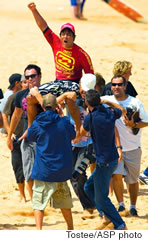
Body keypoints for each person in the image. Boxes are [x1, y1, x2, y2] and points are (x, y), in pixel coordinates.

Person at [26, 93, 76, 230]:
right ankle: (70, 229)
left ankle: (39, 231)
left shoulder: (38, 123)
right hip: (61, 170)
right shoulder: (64, 122)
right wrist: (62, 116)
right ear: (56, 106)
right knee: (65, 201)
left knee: (38, 203)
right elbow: (73, 135)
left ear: (43, 106)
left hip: (44, 169)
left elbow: (30, 136)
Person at [80, 89, 127, 230]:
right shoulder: (110, 112)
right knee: (88, 187)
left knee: (102, 198)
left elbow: (82, 133)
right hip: (112, 158)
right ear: (99, 100)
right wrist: (107, 102)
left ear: (87, 102)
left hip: (103, 162)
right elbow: (122, 110)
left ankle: (120, 224)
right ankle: (105, 215)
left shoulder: (91, 117)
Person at [101, 74, 148, 216]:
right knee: (116, 175)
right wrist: (118, 107)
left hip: (133, 147)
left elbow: (146, 122)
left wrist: (133, 124)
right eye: (113, 84)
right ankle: (121, 204)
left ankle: (133, 206)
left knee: (133, 180)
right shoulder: (106, 100)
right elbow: (92, 99)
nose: (116, 87)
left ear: (125, 86)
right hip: (114, 148)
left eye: (119, 85)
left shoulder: (135, 102)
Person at [28, 2, 94, 84]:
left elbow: (90, 76)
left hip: (74, 83)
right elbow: (43, 26)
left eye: (69, 34)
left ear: (74, 38)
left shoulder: (82, 54)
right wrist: (34, 10)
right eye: (63, 34)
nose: (65, 36)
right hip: (58, 82)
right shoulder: (55, 42)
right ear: (60, 36)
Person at [7, 64, 42, 200]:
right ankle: (34, 202)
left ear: (39, 76)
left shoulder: (46, 92)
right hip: (27, 135)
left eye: (33, 76)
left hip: (44, 135)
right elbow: (15, 116)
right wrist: (9, 136)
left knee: (45, 170)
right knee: (28, 170)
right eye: (27, 77)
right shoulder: (20, 95)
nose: (30, 79)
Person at [3, 74, 29, 202]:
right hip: (17, 137)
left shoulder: (35, 97)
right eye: (24, 82)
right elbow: (5, 114)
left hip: (30, 137)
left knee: (30, 167)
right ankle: (22, 195)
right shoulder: (14, 97)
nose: (26, 84)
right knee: (17, 166)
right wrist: (9, 133)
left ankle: (31, 194)